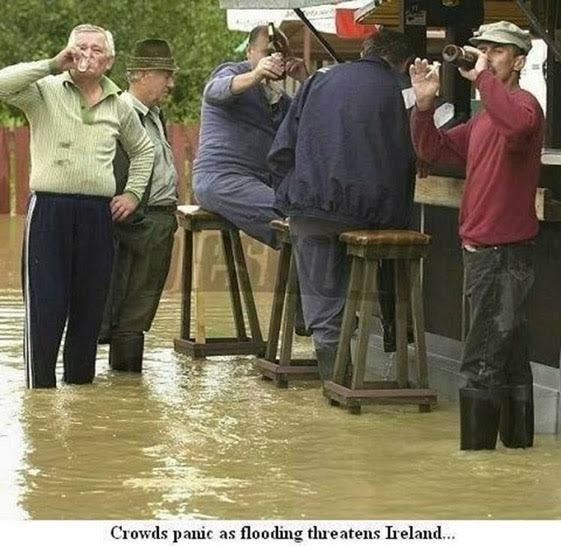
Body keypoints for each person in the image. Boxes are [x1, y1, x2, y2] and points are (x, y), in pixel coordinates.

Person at [409, 21, 544, 450]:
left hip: (502, 254)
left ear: (519, 61)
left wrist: (483, 77)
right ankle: (516, 460)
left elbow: (519, 128)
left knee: (480, 360)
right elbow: (432, 151)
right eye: (483, 49)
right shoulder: (487, 118)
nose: (486, 57)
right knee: (509, 360)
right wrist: (425, 107)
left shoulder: (524, 107)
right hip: (489, 252)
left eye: (497, 51)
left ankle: (478, 467)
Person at [0, 24, 155, 388]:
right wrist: (52, 64)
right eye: (79, 47)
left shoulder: (119, 103)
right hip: (49, 210)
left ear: (110, 61)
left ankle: (81, 396)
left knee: (89, 310)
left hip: (97, 215)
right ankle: (40, 398)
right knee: (46, 307)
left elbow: (143, 150)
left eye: (96, 49)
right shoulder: (44, 91)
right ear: (68, 53)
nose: (87, 54)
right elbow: (3, 83)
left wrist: (132, 193)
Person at [267, 29, 417, 383]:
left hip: (310, 209)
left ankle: (336, 385)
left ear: (365, 50)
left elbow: (280, 151)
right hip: (368, 217)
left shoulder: (319, 80)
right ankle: (371, 359)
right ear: (404, 64)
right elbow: (404, 161)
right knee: (360, 281)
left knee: (323, 303)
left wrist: (290, 194)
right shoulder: (396, 92)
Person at [100, 39, 179, 372]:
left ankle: (123, 397)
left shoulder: (154, 114)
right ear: (142, 75)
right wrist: (136, 224)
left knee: (137, 308)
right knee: (128, 309)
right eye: (165, 75)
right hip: (138, 222)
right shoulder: (121, 114)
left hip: (157, 219)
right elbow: (114, 175)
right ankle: (123, 392)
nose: (171, 83)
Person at [192, 25, 308, 250]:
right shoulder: (231, 73)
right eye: (267, 53)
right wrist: (256, 74)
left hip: (258, 182)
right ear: (249, 52)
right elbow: (214, 91)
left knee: (311, 217)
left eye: (281, 55)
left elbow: (312, 124)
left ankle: (301, 282)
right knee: (294, 218)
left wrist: (306, 80)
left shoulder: (279, 98)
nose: (275, 59)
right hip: (220, 178)